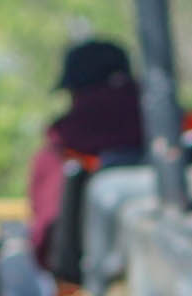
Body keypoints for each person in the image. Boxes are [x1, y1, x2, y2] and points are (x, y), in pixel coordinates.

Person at [28, 37, 148, 272]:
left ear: (77, 92)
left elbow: (45, 240)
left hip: (95, 288)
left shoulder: (61, 150)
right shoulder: (182, 132)